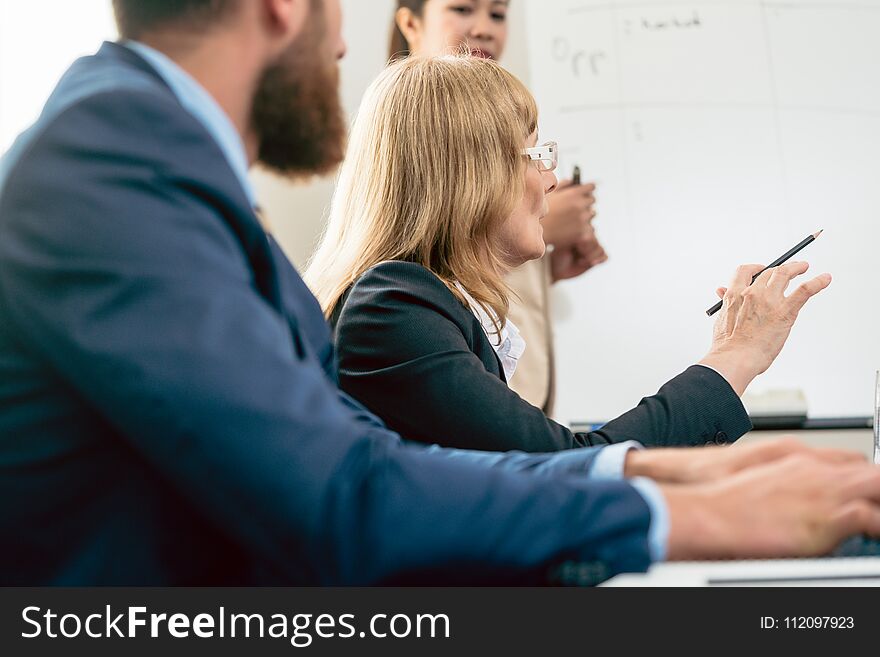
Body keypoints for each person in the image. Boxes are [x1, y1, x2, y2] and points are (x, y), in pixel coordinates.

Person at [1, 0, 879, 586]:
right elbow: (342, 492)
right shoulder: (115, 162)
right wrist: (670, 503)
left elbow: (365, 463)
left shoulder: (153, 163)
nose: (345, 44)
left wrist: (669, 469)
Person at [305, 54, 821, 454]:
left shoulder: (418, 306)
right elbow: (562, 470)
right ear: (469, 175)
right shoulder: (393, 309)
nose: (551, 180)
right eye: (537, 154)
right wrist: (736, 357)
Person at [389, 0, 603, 413]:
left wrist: (546, 268)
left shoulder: (495, 121)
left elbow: (471, 279)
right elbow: (427, 266)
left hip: (518, 389)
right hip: (474, 396)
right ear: (411, 23)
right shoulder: (406, 138)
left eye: (498, 15)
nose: (484, 28)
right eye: (463, 9)